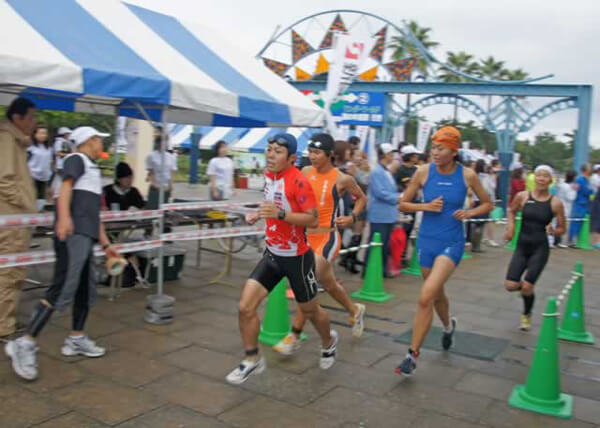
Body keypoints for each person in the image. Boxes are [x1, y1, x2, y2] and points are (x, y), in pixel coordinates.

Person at [5, 127, 119, 380]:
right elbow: (65, 189)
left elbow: (94, 215)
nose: (102, 144)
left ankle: (76, 338)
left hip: (86, 237)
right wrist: (64, 219)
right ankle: (24, 343)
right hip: (72, 235)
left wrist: (107, 245)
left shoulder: (91, 168)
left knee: (84, 290)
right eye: (99, 139)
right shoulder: (76, 159)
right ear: (90, 141)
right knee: (61, 288)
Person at [225, 133, 337, 385]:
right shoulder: (269, 176)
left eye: (278, 152)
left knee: (310, 311)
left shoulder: (298, 181)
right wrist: (258, 214)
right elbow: (271, 205)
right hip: (273, 254)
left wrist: (280, 214)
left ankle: (329, 341)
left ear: (292, 158)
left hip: (298, 259)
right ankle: (252, 359)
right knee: (245, 307)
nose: (271, 155)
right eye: (269, 149)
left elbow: (312, 219)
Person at [395, 126, 492, 376]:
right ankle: (448, 326)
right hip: (426, 241)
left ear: (454, 151)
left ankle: (411, 355)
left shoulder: (468, 175)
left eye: (441, 148)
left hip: (452, 242)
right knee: (436, 294)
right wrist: (425, 206)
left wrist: (470, 212)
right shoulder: (423, 172)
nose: (435, 153)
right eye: (433, 148)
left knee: (425, 296)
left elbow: (488, 203)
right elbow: (403, 204)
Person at [273, 133, 367, 356]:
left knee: (305, 280)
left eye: (317, 153)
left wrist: (352, 217)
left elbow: (362, 198)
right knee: (330, 285)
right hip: (305, 237)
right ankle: (355, 310)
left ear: (330, 154)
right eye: (310, 152)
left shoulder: (342, 179)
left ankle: (294, 335)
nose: (313, 157)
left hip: (327, 238)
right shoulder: (305, 171)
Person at [504, 165, 566, 330]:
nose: (541, 179)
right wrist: (510, 228)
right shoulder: (523, 196)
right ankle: (525, 289)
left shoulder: (555, 203)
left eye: (545, 176)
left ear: (551, 180)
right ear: (534, 178)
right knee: (510, 285)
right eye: (539, 175)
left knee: (527, 286)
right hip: (522, 246)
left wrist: (553, 230)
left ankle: (526, 314)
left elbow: (562, 228)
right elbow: (511, 211)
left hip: (540, 249)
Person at [0, 97, 37, 338]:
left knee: (14, 271)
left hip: (17, 217)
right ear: (17, 118)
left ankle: (7, 322)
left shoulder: (16, 141)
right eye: (31, 117)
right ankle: (3, 325)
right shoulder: (6, 139)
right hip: (11, 218)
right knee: (9, 273)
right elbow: (4, 180)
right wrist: (25, 203)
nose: (35, 123)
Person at [364, 143, 402, 279]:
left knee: (384, 245)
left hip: (387, 214)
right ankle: (369, 271)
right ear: (385, 155)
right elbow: (380, 193)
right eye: (391, 153)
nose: (393, 156)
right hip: (380, 215)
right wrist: (398, 198)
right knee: (376, 244)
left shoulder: (385, 171)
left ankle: (381, 270)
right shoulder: (377, 171)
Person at [145, 129, 177, 209]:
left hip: (166, 188)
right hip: (155, 187)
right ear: (158, 143)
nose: (165, 143)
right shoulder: (151, 156)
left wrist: (170, 186)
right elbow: (151, 173)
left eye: (166, 141)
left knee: (165, 210)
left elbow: (171, 173)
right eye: (163, 141)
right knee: (153, 209)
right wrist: (156, 186)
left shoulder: (171, 157)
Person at [28, 126, 53, 211]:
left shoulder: (49, 148)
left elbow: (50, 161)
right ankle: (31, 210)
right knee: (32, 193)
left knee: (41, 195)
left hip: (44, 175)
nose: (43, 135)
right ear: (35, 134)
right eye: (41, 133)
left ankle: (39, 210)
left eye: (45, 133)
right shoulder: (31, 147)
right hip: (32, 174)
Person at [567, 164, 593, 246]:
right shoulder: (580, 180)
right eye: (589, 169)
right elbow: (587, 191)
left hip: (585, 203)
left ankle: (578, 240)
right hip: (579, 203)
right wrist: (591, 191)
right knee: (576, 222)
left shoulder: (587, 180)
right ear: (586, 170)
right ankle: (571, 240)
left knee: (582, 223)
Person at [555, 170, 577, 248]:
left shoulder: (561, 184)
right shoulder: (569, 187)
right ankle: (561, 242)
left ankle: (556, 241)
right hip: (566, 207)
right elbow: (571, 197)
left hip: (559, 205)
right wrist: (575, 190)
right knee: (564, 225)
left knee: (557, 223)